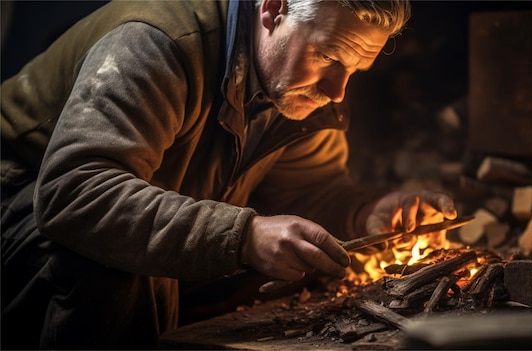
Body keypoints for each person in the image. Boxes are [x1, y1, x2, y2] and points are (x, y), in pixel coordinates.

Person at [1, 0, 457, 348]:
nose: (338, 92)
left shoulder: (294, 88)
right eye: (330, 58)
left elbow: (307, 194)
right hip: (19, 197)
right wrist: (242, 236)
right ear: (275, 9)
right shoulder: (156, 46)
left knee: (315, 269)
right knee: (125, 263)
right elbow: (75, 192)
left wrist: (365, 211)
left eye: (356, 70)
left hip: (90, 202)